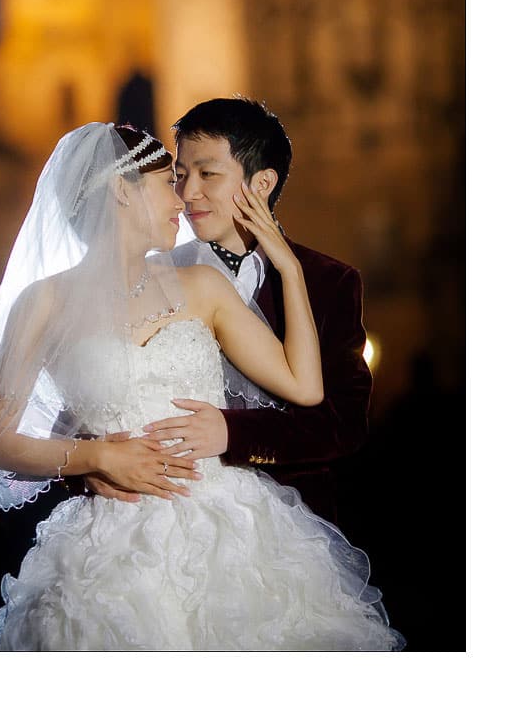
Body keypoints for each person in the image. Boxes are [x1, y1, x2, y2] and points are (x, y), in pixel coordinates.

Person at [0, 122, 403, 651]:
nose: (183, 199)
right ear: (122, 191)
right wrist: (95, 458)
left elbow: (306, 389)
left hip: (229, 528)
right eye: (167, 182)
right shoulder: (44, 302)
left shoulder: (201, 284)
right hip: (112, 543)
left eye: (195, 177)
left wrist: (286, 265)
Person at [77, 98, 373, 527]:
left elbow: (343, 423)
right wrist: (93, 461)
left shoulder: (329, 281)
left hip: (294, 527)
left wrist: (233, 434)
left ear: (262, 183)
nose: (187, 192)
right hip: (165, 517)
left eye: (207, 174)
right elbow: (91, 392)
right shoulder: (154, 273)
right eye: (179, 176)